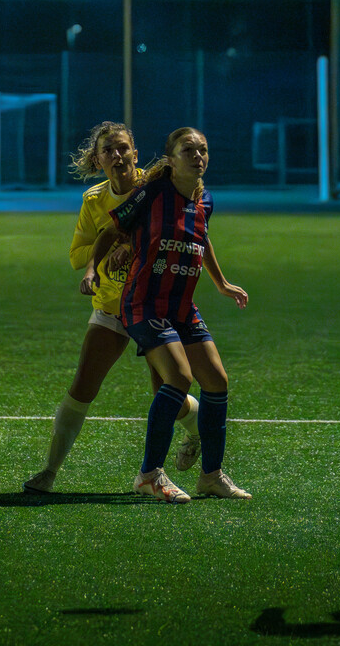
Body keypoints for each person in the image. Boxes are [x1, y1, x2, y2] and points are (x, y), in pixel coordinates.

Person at [24, 122, 201, 494]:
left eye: (123, 148)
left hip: (152, 306)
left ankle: (193, 437)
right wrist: (101, 260)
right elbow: (77, 255)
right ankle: (49, 472)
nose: (117, 156)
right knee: (82, 388)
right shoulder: (94, 200)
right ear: (98, 159)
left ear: (135, 153)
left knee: (167, 393)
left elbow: (180, 235)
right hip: (111, 305)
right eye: (109, 150)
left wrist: (131, 247)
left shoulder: (157, 189)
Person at [90, 126, 251, 503]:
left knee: (217, 381)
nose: (198, 157)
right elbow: (111, 231)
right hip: (144, 303)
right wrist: (91, 270)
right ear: (171, 160)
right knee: (178, 377)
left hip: (181, 306)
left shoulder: (205, 199)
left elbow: (201, 237)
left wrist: (222, 283)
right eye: (188, 150)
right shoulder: (152, 193)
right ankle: (149, 475)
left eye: (203, 150)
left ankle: (211, 476)